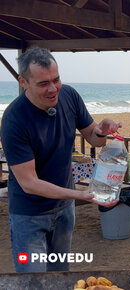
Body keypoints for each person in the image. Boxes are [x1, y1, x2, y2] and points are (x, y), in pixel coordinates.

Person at [1, 47, 121, 273]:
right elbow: (29, 183)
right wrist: (79, 195)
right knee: (33, 281)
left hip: (64, 211)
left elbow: (93, 138)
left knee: (60, 276)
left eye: (56, 80)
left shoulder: (69, 96)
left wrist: (102, 131)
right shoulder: (14, 120)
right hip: (29, 216)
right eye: (43, 83)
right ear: (23, 82)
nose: (53, 88)